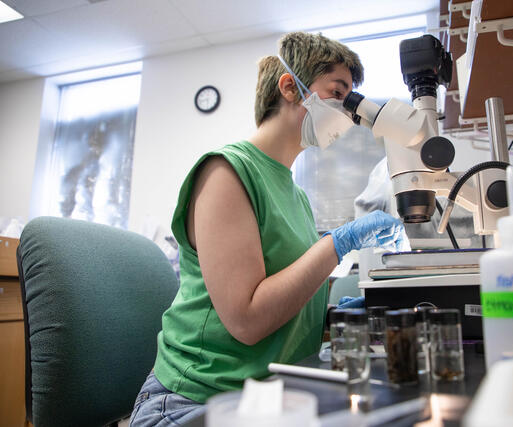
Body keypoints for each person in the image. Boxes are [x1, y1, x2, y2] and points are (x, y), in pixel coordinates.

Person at [129, 32, 406, 426]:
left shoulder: (296, 195)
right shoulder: (227, 172)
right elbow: (248, 321)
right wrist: (338, 242)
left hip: (265, 398)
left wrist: (335, 319)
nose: (349, 111)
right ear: (291, 87)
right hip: (195, 401)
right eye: (338, 92)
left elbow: (283, 295)